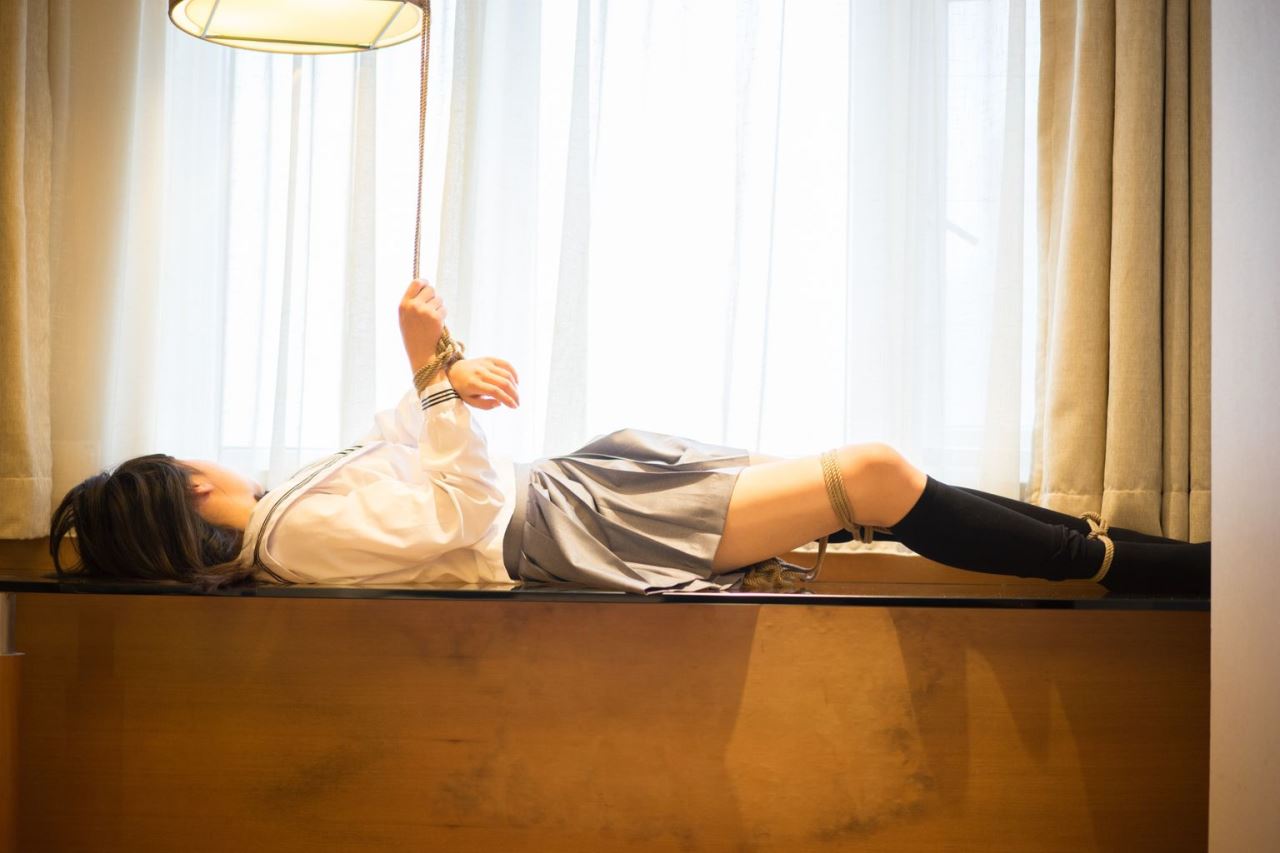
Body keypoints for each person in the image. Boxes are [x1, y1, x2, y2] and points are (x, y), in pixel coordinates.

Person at [49, 280, 1210, 596]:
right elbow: (460, 514)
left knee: (873, 483)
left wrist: (440, 374)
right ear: (187, 487)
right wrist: (432, 375)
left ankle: (1127, 560)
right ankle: (1137, 567)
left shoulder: (296, 515)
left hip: (572, 497)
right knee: (873, 475)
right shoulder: (296, 540)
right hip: (567, 527)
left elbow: (410, 451)